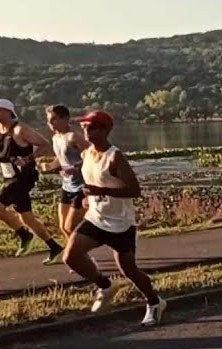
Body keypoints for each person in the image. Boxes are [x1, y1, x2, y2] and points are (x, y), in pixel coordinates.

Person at [60, 110, 166, 326]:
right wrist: (84, 194)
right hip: (95, 218)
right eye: (84, 128)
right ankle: (105, 285)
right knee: (70, 256)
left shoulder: (115, 157)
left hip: (120, 224)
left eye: (92, 127)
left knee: (129, 270)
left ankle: (154, 302)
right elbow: (89, 179)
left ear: (106, 129)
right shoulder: (87, 153)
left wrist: (101, 191)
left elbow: (134, 190)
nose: (87, 131)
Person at [0, 99, 63, 262]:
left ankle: (24, 235)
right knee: (27, 218)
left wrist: (28, 158)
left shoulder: (20, 129)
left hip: (24, 177)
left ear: (9, 111)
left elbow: (45, 145)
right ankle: (54, 246)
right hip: (9, 178)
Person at [42, 104, 88, 256]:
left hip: (81, 187)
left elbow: (93, 156)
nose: (51, 123)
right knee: (63, 227)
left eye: (54, 119)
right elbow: (61, 159)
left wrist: (75, 167)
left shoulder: (74, 137)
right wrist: (49, 166)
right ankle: (78, 257)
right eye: (49, 120)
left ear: (65, 119)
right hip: (67, 186)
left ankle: (80, 257)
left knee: (71, 227)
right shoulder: (55, 138)